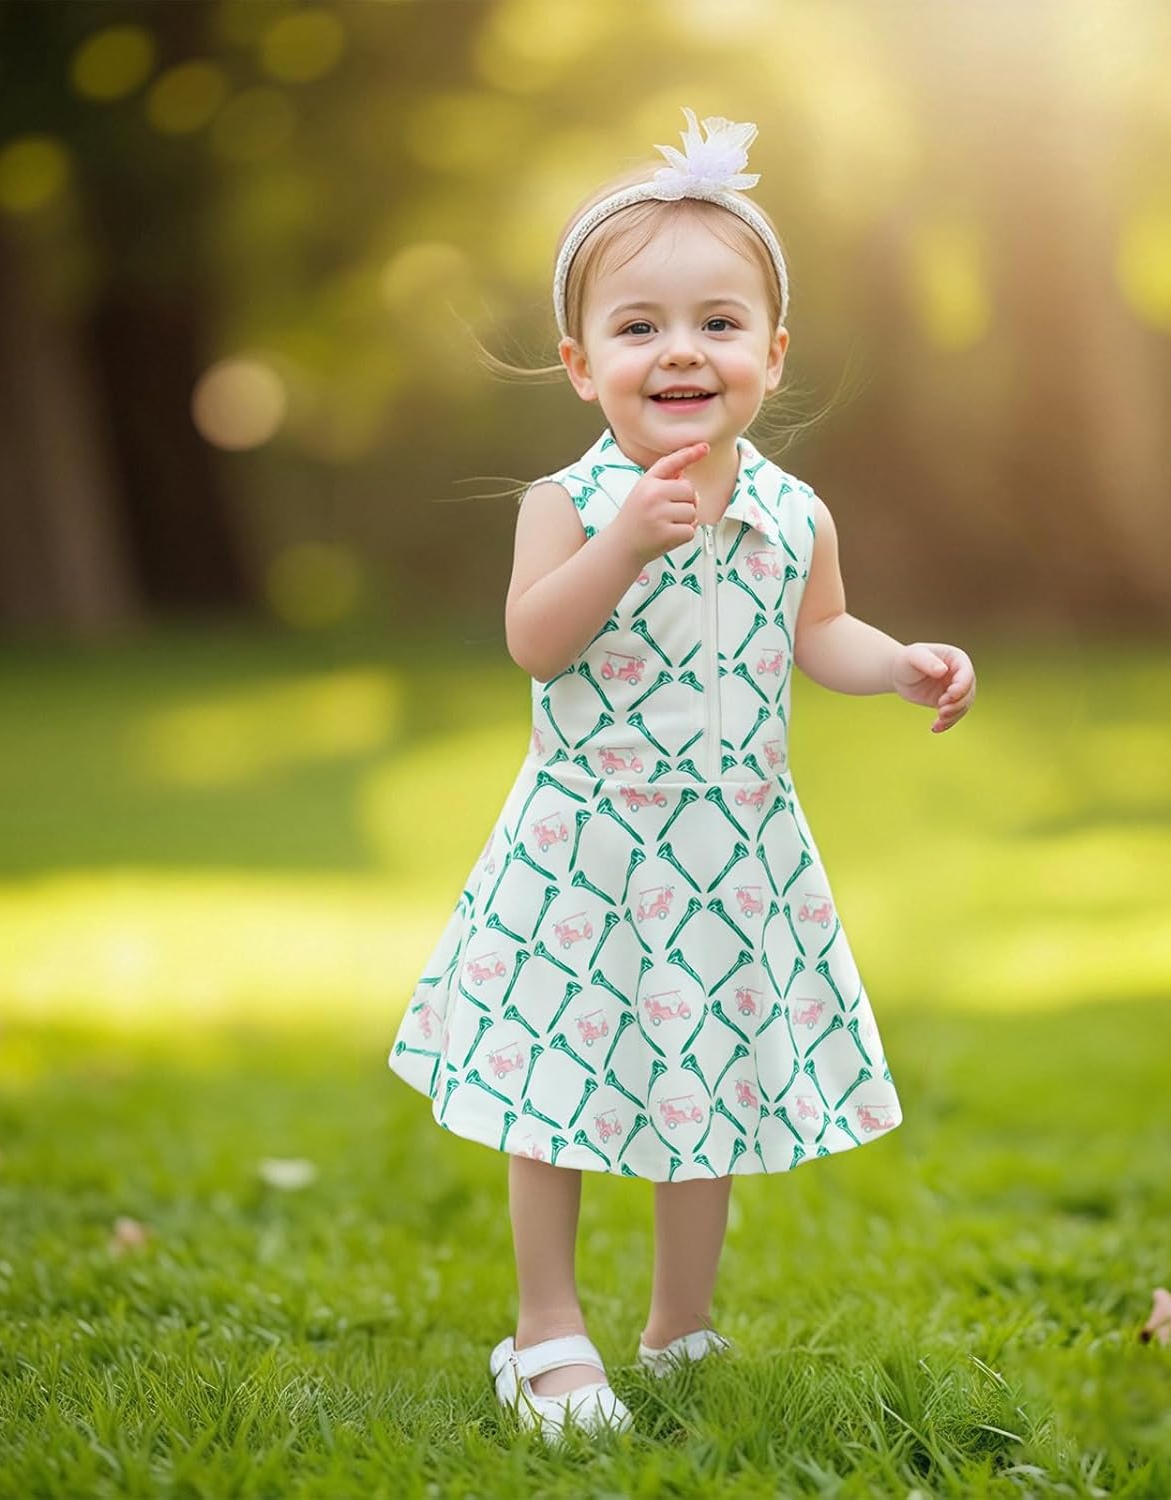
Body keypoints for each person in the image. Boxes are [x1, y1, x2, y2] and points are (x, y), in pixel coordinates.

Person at [388, 107, 976, 1442]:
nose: (680, 350)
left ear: (770, 353)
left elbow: (819, 630)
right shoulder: (574, 504)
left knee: (701, 1084)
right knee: (557, 1090)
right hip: (588, 852)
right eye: (639, 326)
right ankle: (544, 1328)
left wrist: (899, 663)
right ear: (581, 363)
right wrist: (622, 552)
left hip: (730, 856)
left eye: (717, 322)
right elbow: (536, 640)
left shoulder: (789, 509)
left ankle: (677, 1324)